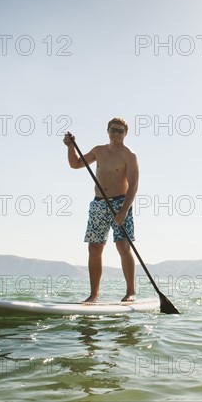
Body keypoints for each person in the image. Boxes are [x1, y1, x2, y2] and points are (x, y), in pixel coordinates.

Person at [63, 117, 139, 303]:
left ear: (125, 133)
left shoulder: (129, 155)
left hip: (121, 203)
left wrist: (123, 211)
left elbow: (134, 186)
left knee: (123, 245)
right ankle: (94, 295)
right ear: (107, 130)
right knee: (94, 247)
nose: (116, 134)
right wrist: (70, 146)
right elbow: (75, 164)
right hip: (98, 203)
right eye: (113, 130)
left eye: (120, 131)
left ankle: (130, 292)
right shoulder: (99, 151)